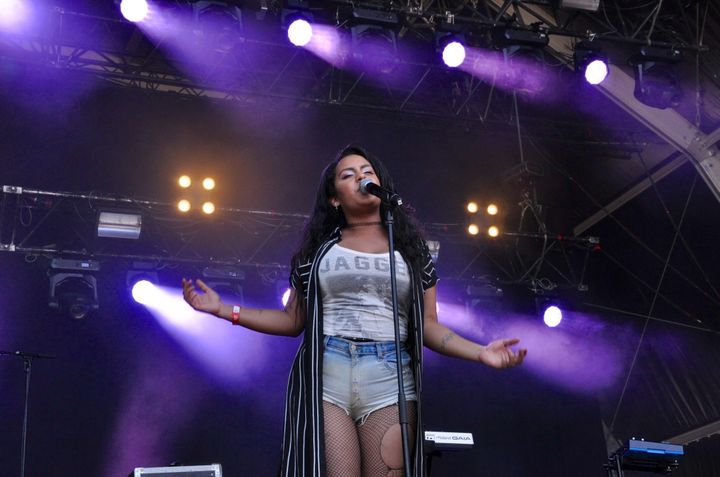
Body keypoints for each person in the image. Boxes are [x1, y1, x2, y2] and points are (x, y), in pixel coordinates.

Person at [182, 145, 527, 477]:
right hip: (329, 372)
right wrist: (224, 309)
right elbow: (292, 321)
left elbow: (429, 326)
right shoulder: (319, 251)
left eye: (367, 171)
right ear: (335, 197)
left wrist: (481, 353)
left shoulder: (411, 250)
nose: (361, 177)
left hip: (390, 376)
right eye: (348, 175)